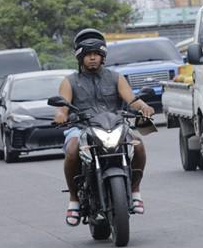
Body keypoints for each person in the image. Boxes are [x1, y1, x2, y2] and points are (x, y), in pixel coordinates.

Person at [53, 28, 155, 226]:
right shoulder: (69, 81)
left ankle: (135, 190)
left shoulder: (116, 78)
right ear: (80, 57)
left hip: (115, 126)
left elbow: (132, 99)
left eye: (96, 55)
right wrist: (59, 116)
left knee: (139, 144)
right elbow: (62, 108)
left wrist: (143, 107)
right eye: (88, 55)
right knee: (73, 150)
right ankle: (74, 199)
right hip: (82, 128)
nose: (92, 59)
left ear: (103, 57)